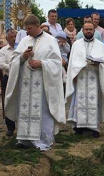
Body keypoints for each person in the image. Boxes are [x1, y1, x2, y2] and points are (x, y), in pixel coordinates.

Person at [5, 14, 66, 151]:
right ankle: (24, 139)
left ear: (38, 26)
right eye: (26, 29)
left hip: (43, 86)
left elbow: (57, 63)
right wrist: (23, 56)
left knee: (42, 112)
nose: (27, 32)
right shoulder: (25, 40)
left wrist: (41, 64)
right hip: (26, 85)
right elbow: (13, 61)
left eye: (29, 28)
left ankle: (42, 140)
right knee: (25, 110)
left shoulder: (50, 40)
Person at [65, 22, 104, 138]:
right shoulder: (76, 45)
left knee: (93, 102)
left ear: (94, 31)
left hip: (94, 78)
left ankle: (94, 127)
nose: (89, 31)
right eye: (86, 29)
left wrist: (98, 64)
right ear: (82, 30)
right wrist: (73, 75)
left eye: (91, 29)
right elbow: (72, 63)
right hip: (80, 77)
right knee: (80, 102)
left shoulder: (100, 45)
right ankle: (80, 126)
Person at [0, 28, 17, 137]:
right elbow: (2, 65)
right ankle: (10, 127)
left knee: (21, 100)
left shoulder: (21, 48)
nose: (14, 39)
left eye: (15, 36)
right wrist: (14, 67)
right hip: (8, 78)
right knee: (8, 101)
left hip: (20, 78)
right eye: (11, 37)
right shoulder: (3, 51)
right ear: (7, 38)